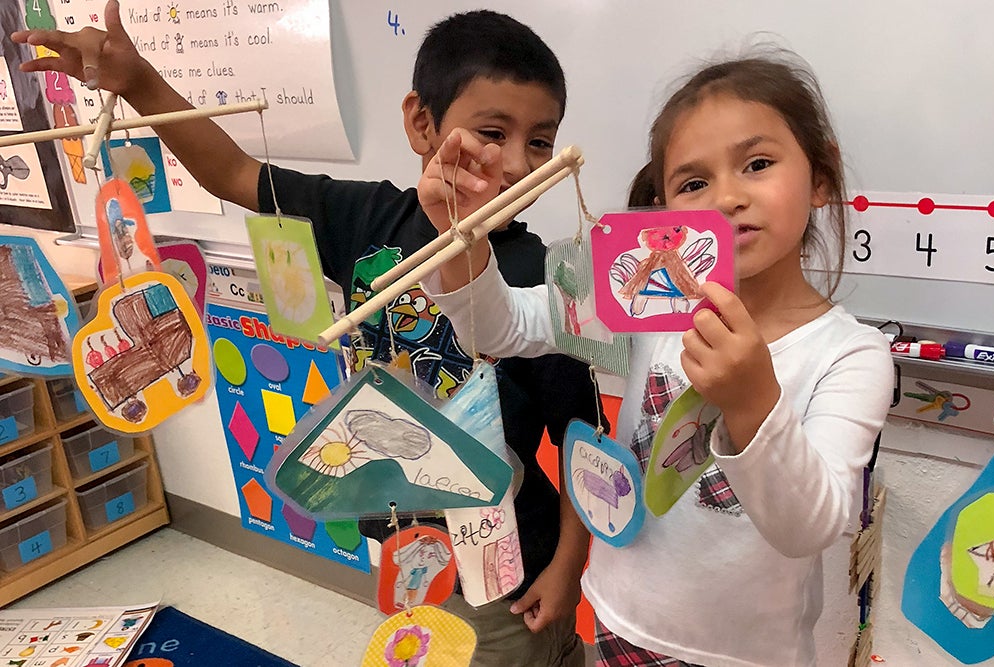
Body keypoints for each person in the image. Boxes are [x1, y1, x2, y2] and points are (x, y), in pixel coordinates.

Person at [14, 4, 601, 665]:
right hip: (408, 540)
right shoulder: (366, 216)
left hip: (512, 570)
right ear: (421, 122)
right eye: (493, 132)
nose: (518, 165)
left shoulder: (543, 282)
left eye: (541, 141)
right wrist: (140, 82)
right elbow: (234, 174)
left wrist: (568, 570)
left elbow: (583, 438)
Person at [417, 49, 894, 667]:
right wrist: (460, 240)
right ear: (665, 210)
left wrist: (752, 401)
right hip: (621, 620)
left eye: (757, 164)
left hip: (745, 655)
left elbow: (811, 528)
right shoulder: (648, 305)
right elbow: (509, 324)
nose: (726, 197)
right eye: (694, 183)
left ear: (821, 178)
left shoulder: (851, 353)